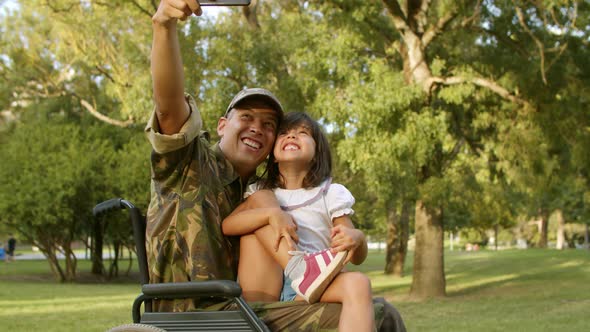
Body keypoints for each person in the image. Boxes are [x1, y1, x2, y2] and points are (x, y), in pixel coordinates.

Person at [147, 0, 406, 330]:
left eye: (270, 124)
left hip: (245, 306)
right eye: (247, 117)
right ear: (224, 124)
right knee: (379, 314)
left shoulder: (259, 190)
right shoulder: (192, 163)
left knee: (375, 304)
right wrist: (164, 25)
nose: (258, 127)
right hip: (193, 314)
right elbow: (169, 108)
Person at [223, 111, 375, 331]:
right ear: (273, 155)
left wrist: (358, 239)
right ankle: (300, 269)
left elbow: (353, 254)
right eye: (284, 133)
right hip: (265, 284)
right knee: (261, 202)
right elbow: (227, 226)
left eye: (302, 133)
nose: (291, 136)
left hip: (314, 288)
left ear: (317, 152)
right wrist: (271, 214)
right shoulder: (259, 192)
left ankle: (307, 272)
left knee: (359, 282)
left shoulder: (330, 194)